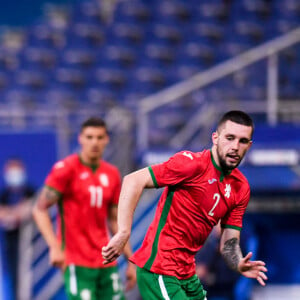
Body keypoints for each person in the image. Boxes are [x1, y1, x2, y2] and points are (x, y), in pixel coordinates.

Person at [102, 110, 268, 300]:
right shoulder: (191, 165)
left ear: (249, 145)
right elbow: (133, 180)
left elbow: (229, 242)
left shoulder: (240, 188)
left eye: (242, 141)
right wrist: (124, 232)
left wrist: (238, 262)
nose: (235, 146)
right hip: (159, 269)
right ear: (215, 137)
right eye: (229, 138)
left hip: (187, 274)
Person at [32, 117, 136, 300]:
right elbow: (39, 209)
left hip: (106, 261)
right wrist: (54, 247)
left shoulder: (112, 174)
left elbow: (115, 221)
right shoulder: (65, 169)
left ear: (107, 140)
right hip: (76, 261)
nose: (94, 142)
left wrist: (131, 260)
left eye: (99, 137)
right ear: (80, 138)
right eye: (89, 137)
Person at [0, 158, 36, 300]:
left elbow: (30, 209)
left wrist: (16, 214)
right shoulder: (4, 194)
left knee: (28, 275)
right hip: (10, 241)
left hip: (30, 240)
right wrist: (13, 214)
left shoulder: (29, 191)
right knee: (14, 274)